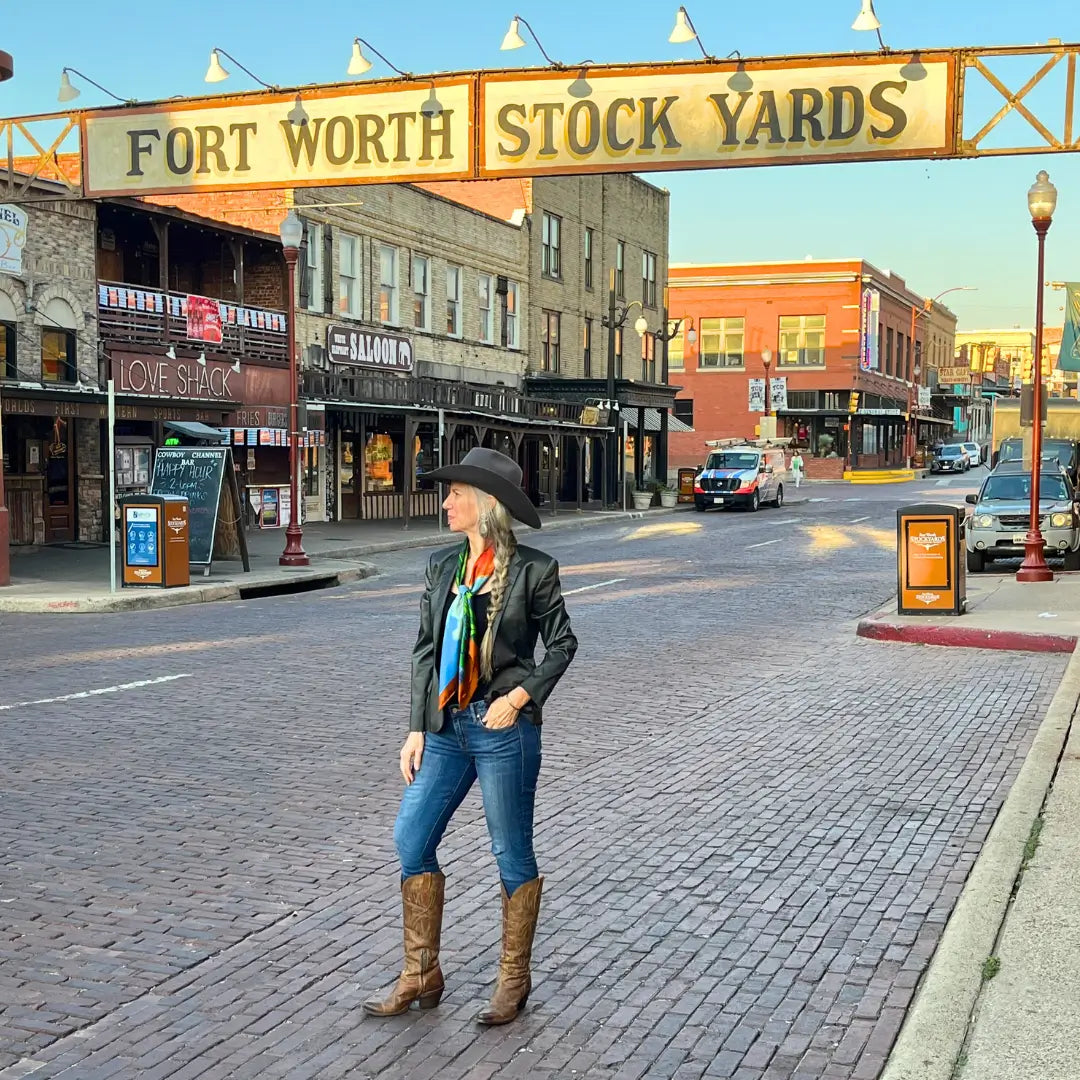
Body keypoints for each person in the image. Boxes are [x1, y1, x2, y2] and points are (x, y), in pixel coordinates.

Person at [364, 447, 578, 1026]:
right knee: (411, 839)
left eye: (457, 493)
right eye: (449, 492)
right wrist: (415, 726)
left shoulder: (534, 569)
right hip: (446, 727)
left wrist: (517, 699)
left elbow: (562, 645)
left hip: (500, 727)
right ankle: (421, 972)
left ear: (486, 505)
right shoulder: (442, 567)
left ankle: (513, 979)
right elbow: (425, 650)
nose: (447, 501)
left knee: (510, 851)